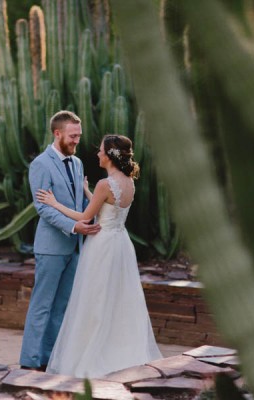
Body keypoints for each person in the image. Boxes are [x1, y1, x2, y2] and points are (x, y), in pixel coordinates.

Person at [36, 134, 162, 378]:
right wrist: (86, 190)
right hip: (120, 243)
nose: (97, 154)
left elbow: (85, 217)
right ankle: (118, 349)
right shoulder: (129, 182)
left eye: (101, 151)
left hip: (102, 245)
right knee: (116, 297)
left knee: (93, 298)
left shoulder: (105, 185)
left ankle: (91, 352)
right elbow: (106, 206)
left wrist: (53, 203)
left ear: (110, 155)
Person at [19, 110, 101, 371]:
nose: (77, 140)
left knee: (62, 306)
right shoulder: (41, 164)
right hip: (52, 247)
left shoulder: (77, 164)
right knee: (42, 305)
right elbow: (43, 208)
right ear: (57, 134)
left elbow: (78, 202)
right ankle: (30, 362)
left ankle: (49, 359)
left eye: (79, 135)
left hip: (75, 247)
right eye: (72, 136)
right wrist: (74, 226)